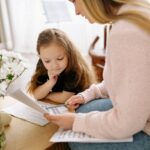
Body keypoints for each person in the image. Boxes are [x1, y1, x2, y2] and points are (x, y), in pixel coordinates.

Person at [44, 0, 150, 150]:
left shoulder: (127, 32)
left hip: (139, 123)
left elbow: (126, 123)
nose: (76, 12)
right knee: (83, 109)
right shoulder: (134, 13)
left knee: (76, 141)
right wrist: (88, 94)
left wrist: (76, 122)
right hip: (142, 113)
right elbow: (128, 82)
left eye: (75, 1)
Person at [27, 28, 96, 104]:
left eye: (60, 59)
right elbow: (36, 95)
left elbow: (65, 98)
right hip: (60, 104)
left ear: (69, 53)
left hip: (81, 102)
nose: (54, 65)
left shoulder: (74, 68)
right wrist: (50, 82)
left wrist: (46, 95)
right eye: (47, 61)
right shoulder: (42, 64)